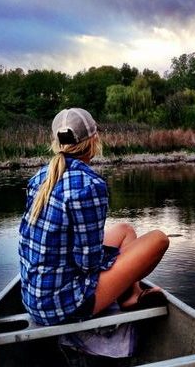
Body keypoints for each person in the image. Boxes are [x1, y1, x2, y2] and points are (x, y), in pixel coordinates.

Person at [19, 108, 170, 326]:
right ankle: (124, 290)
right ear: (94, 139)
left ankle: (131, 296)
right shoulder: (89, 185)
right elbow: (88, 264)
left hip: (33, 298)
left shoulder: (40, 177)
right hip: (62, 306)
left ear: (56, 142)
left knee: (125, 231)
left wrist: (118, 256)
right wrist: (120, 259)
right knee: (158, 240)